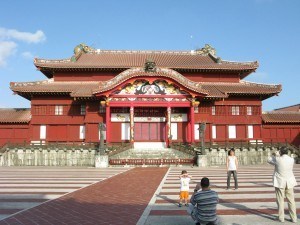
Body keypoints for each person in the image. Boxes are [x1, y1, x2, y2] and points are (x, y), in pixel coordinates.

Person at [267, 146, 298, 223]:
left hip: (280, 182)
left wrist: (273, 154)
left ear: (280, 152)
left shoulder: (278, 159)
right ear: (287, 152)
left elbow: (269, 160)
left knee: (280, 200)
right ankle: (294, 218)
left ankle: (281, 218)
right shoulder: (291, 159)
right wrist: (277, 155)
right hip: (289, 182)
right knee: (291, 201)